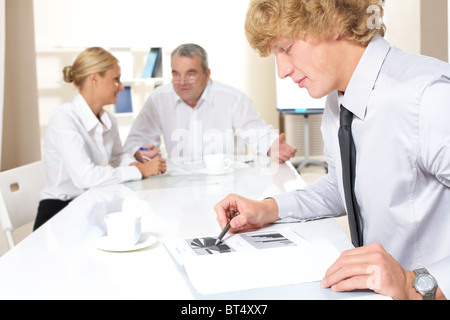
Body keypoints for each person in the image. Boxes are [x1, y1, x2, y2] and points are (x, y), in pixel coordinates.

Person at [214, 0, 449, 300]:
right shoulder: (339, 99)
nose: (282, 70)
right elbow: (345, 186)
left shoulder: (428, 99)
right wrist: (270, 209)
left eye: (285, 48)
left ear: (332, 21)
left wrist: (416, 283)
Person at [34, 47, 166, 230]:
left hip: (91, 205)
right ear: (94, 79)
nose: (120, 87)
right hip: (60, 212)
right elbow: (85, 177)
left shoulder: (108, 119)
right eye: (116, 80)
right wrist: (141, 171)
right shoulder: (64, 117)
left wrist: (135, 165)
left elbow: (118, 156)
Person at [124, 43, 296, 164]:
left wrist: (272, 147)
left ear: (207, 74)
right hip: (179, 184)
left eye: (191, 74)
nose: (182, 81)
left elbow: (256, 132)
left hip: (228, 183)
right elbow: (135, 141)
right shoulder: (158, 99)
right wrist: (140, 152)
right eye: (176, 74)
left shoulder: (233, 99)